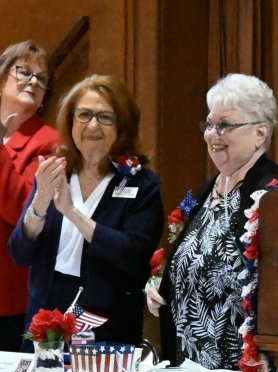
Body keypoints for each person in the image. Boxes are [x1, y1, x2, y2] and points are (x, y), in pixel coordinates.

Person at [146, 73, 278, 372]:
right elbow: (176, 251)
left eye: (225, 125)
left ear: (260, 132)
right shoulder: (207, 191)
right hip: (197, 371)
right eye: (209, 124)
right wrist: (160, 281)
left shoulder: (277, 196)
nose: (213, 135)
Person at [9, 74, 164, 351]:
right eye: (84, 115)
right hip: (45, 314)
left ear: (122, 126)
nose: (93, 125)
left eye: (105, 117)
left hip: (106, 324)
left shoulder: (140, 182)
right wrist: (41, 201)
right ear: (71, 122)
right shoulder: (55, 171)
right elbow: (20, 253)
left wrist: (72, 213)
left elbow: (133, 255)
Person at [0, 40, 59, 351]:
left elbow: (20, 212)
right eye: (24, 71)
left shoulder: (47, 142)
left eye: (42, 78)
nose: (33, 81)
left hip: (8, 298)